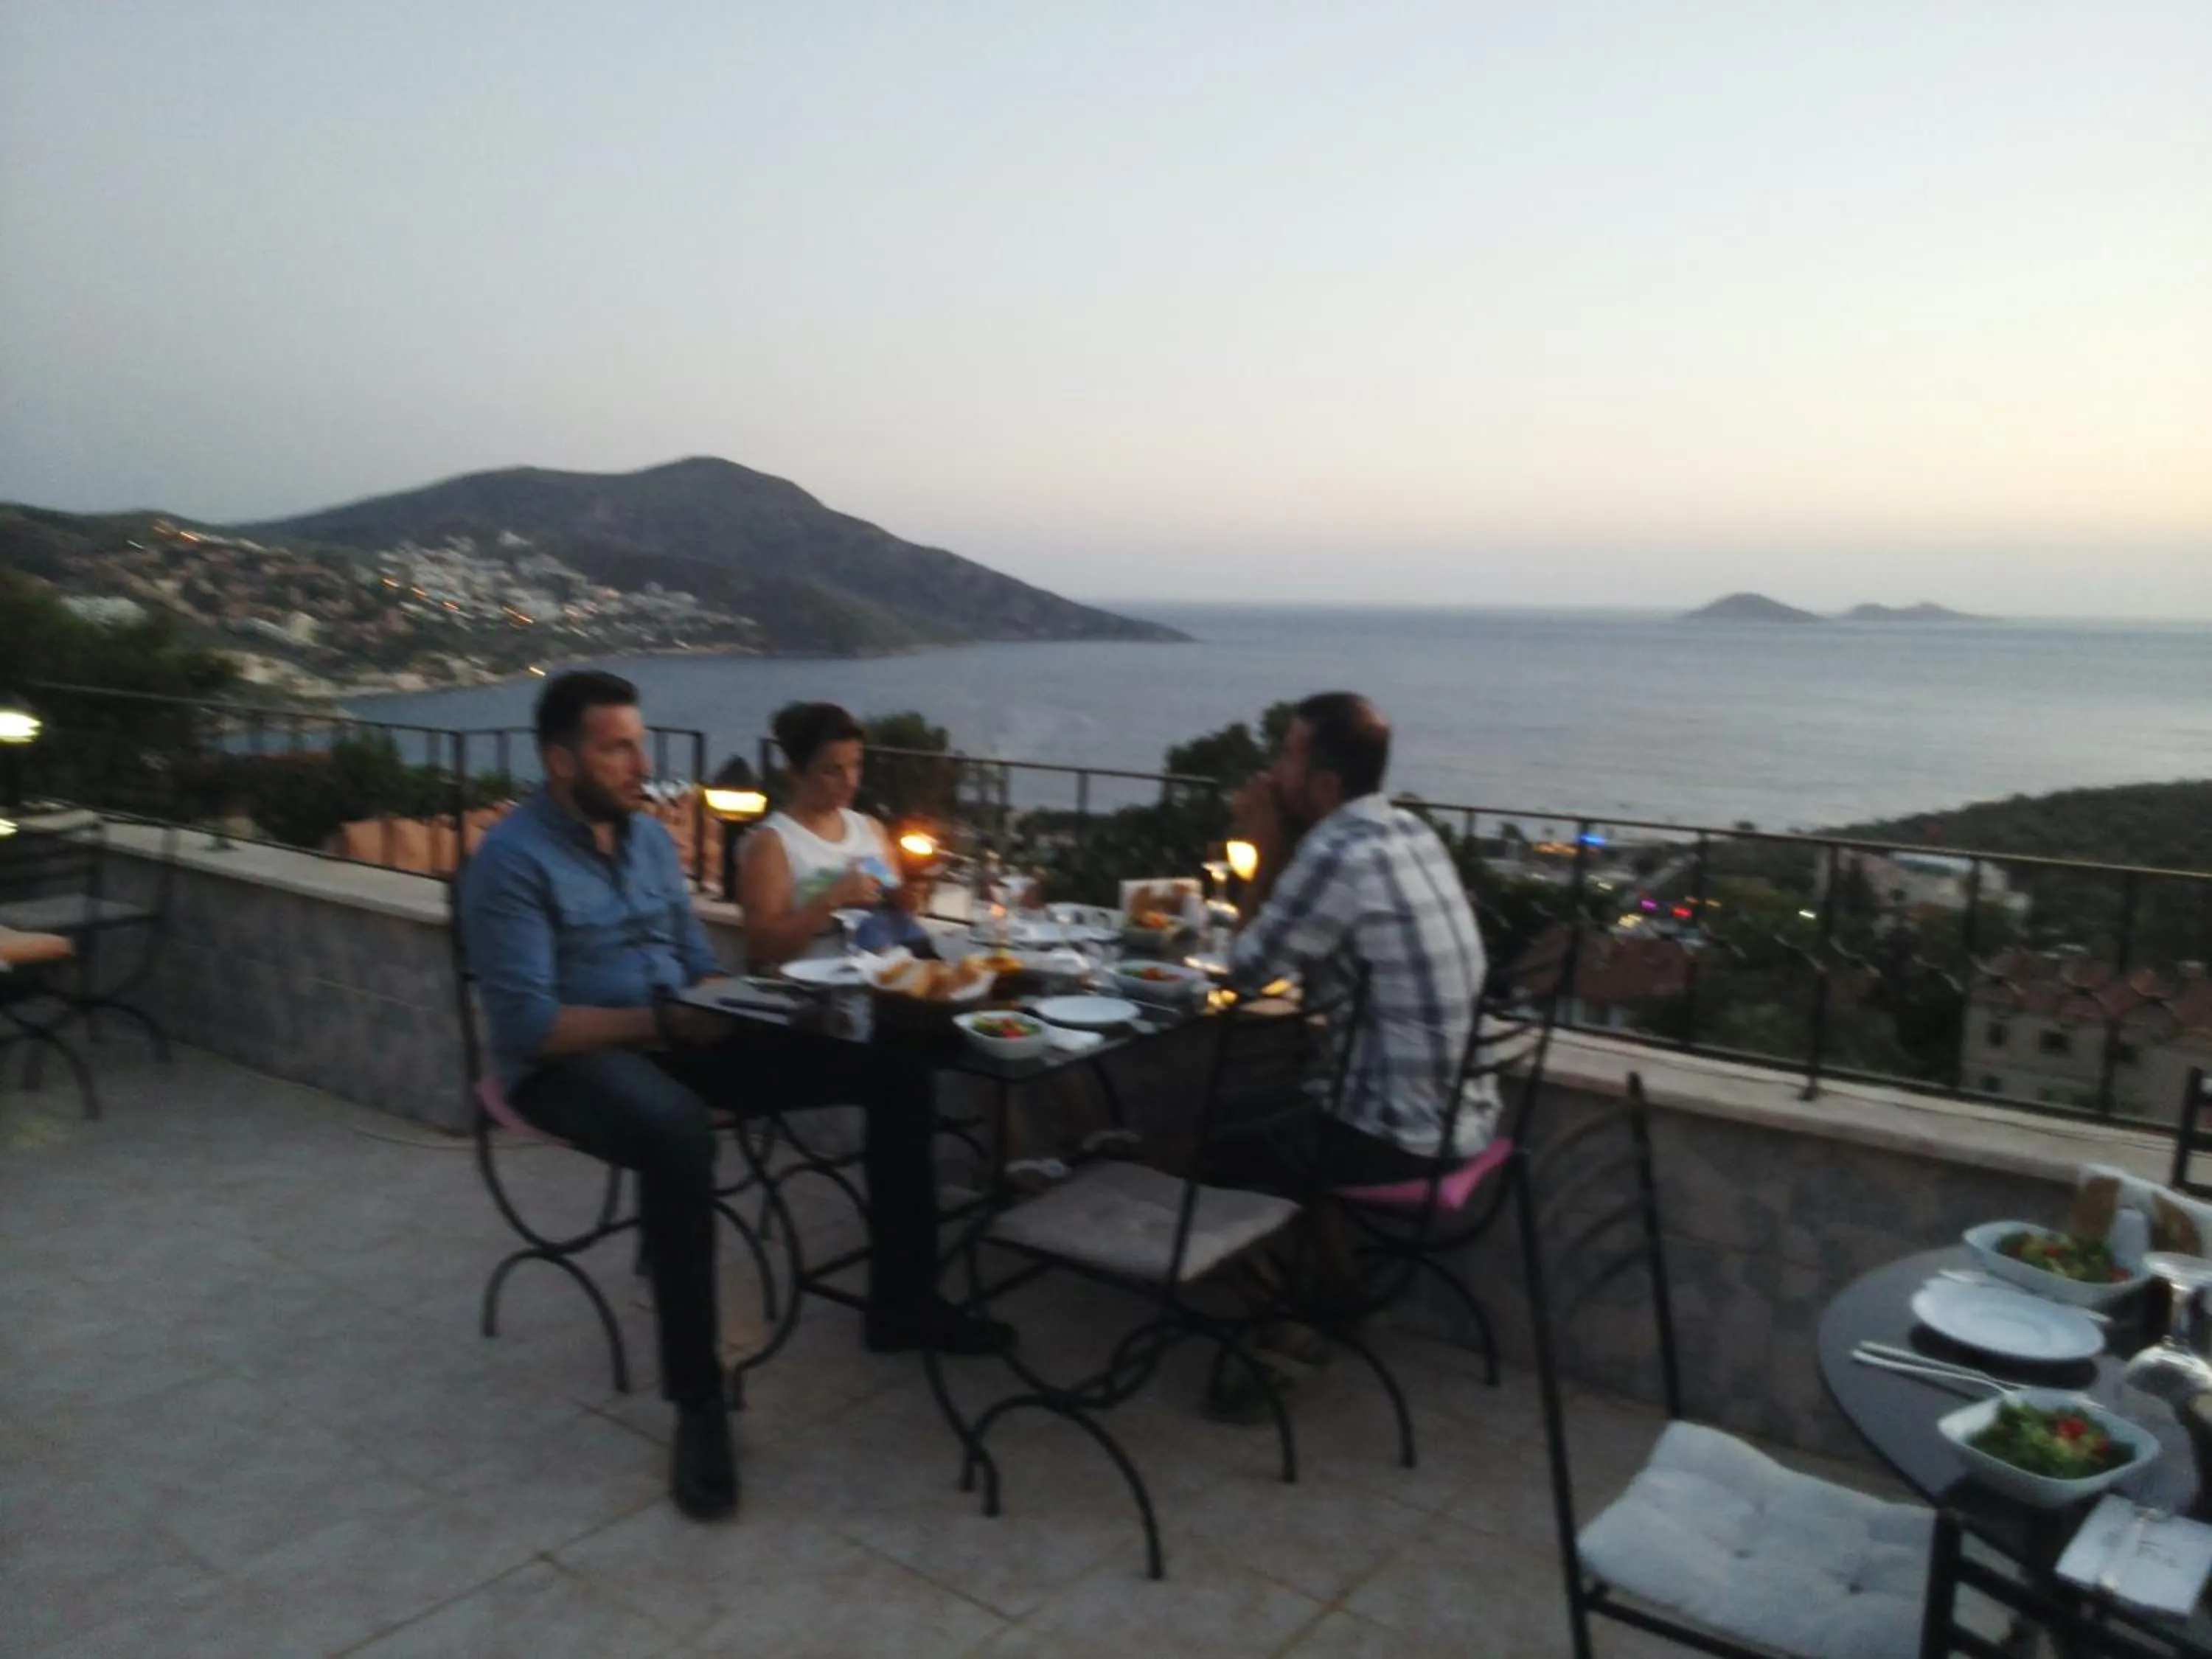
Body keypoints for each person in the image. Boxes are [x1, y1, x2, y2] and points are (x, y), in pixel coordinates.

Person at [458, 672, 1004, 1525]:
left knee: (894, 1064)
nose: (643, 764)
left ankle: (902, 1304)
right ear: (560, 760)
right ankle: (699, 1402)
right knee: (680, 1135)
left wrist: (736, 1007)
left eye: (640, 744)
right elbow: (530, 1027)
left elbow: (695, 962)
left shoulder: (646, 841)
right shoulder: (511, 863)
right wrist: (661, 1020)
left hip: (677, 1031)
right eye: (618, 749)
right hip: (573, 1060)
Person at [1227, 690, 1496, 1183]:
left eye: (1287, 758)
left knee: (1202, 1130)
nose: (1274, 773)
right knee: (1259, 1107)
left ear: (1326, 786)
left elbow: (1244, 972)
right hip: (1466, 1124)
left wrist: (1263, 857)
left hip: (1393, 1142)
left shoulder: (1335, 853)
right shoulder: (1412, 831)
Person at [738, 702, 932, 966]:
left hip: (887, 971)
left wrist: (909, 897)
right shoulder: (773, 844)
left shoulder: (870, 829)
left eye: (856, 766)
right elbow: (764, 950)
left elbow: (898, 905)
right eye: (832, 771)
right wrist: (833, 898)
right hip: (813, 979)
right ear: (796, 774)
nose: (850, 781)